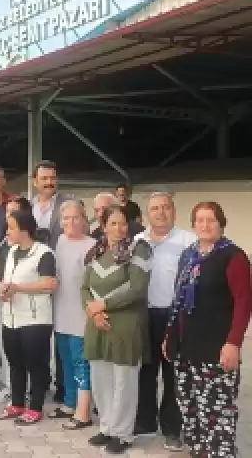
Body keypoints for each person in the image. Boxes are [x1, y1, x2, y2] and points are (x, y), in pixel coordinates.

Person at [165, 202, 251, 458]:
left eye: (210, 220)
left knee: (217, 411)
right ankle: (199, 451)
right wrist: (170, 336)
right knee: (190, 406)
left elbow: (244, 304)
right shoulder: (188, 255)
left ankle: (220, 453)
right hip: (187, 347)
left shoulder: (233, 256)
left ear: (221, 224)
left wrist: (234, 343)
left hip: (217, 348)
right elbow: (178, 300)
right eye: (199, 220)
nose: (204, 225)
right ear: (193, 225)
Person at [82, 205, 151, 454]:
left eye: (123, 223)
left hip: (126, 325)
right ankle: (107, 427)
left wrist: (104, 304)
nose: (119, 228)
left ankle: (123, 433)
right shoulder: (95, 252)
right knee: (100, 377)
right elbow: (84, 288)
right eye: (113, 223)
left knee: (124, 381)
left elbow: (137, 287)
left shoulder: (139, 249)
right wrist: (94, 311)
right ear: (103, 226)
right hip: (97, 323)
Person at [133, 192, 195, 450]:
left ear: (173, 211)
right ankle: (145, 421)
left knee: (173, 374)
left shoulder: (188, 240)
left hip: (175, 315)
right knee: (145, 370)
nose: (161, 212)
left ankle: (172, 428)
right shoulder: (138, 240)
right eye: (155, 208)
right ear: (147, 214)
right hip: (144, 314)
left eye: (165, 207)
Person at [0, 209, 57, 425]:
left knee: (36, 365)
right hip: (11, 317)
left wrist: (18, 287)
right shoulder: (10, 252)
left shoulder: (44, 252)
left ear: (25, 229)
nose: (7, 231)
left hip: (35, 319)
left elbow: (49, 283)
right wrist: (2, 289)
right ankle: (17, 403)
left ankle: (36, 407)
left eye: (11, 227)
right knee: (15, 363)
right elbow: (5, 279)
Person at [51, 200, 95, 429]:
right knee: (65, 360)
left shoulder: (92, 245)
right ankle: (69, 402)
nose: (70, 222)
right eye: (65, 218)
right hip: (61, 312)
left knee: (81, 363)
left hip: (81, 315)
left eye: (75, 217)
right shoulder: (59, 242)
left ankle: (83, 411)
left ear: (84, 219)